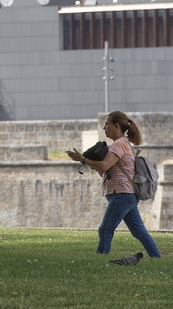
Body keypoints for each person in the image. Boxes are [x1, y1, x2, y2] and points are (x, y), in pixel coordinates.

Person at [68, 110, 161, 258]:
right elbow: (105, 172)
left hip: (122, 194)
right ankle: (157, 258)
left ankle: (100, 260)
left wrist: (83, 160)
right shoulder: (122, 144)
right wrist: (91, 162)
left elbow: (104, 166)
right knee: (139, 232)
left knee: (105, 230)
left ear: (116, 126)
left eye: (107, 125)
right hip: (125, 194)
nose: (104, 128)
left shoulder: (119, 144)